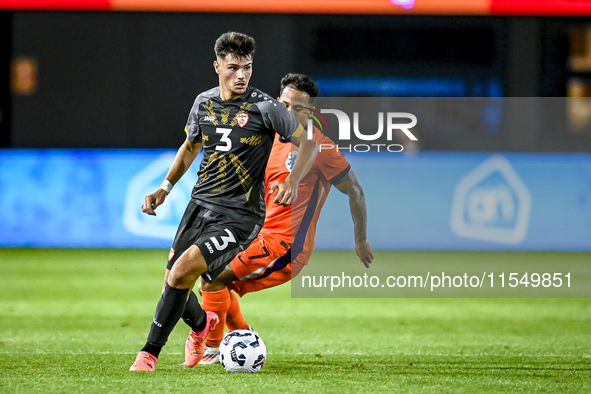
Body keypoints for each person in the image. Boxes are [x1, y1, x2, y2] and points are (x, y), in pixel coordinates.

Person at [129, 33, 319, 371]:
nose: (241, 75)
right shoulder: (203, 103)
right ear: (217, 67)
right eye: (233, 68)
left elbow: (309, 145)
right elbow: (190, 147)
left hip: (240, 214)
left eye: (247, 68)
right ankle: (203, 325)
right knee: (173, 282)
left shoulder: (266, 107)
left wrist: (292, 179)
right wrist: (165, 187)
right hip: (199, 205)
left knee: (187, 270)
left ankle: (148, 354)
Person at [197, 73, 374, 365]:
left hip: (287, 246)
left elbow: (355, 190)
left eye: (299, 108)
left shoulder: (321, 147)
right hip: (257, 236)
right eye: (285, 104)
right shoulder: (267, 141)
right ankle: (242, 337)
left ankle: (212, 349)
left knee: (213, 278)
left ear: (310, 112)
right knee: (211, 275)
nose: (289, 112)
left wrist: (360, 239)